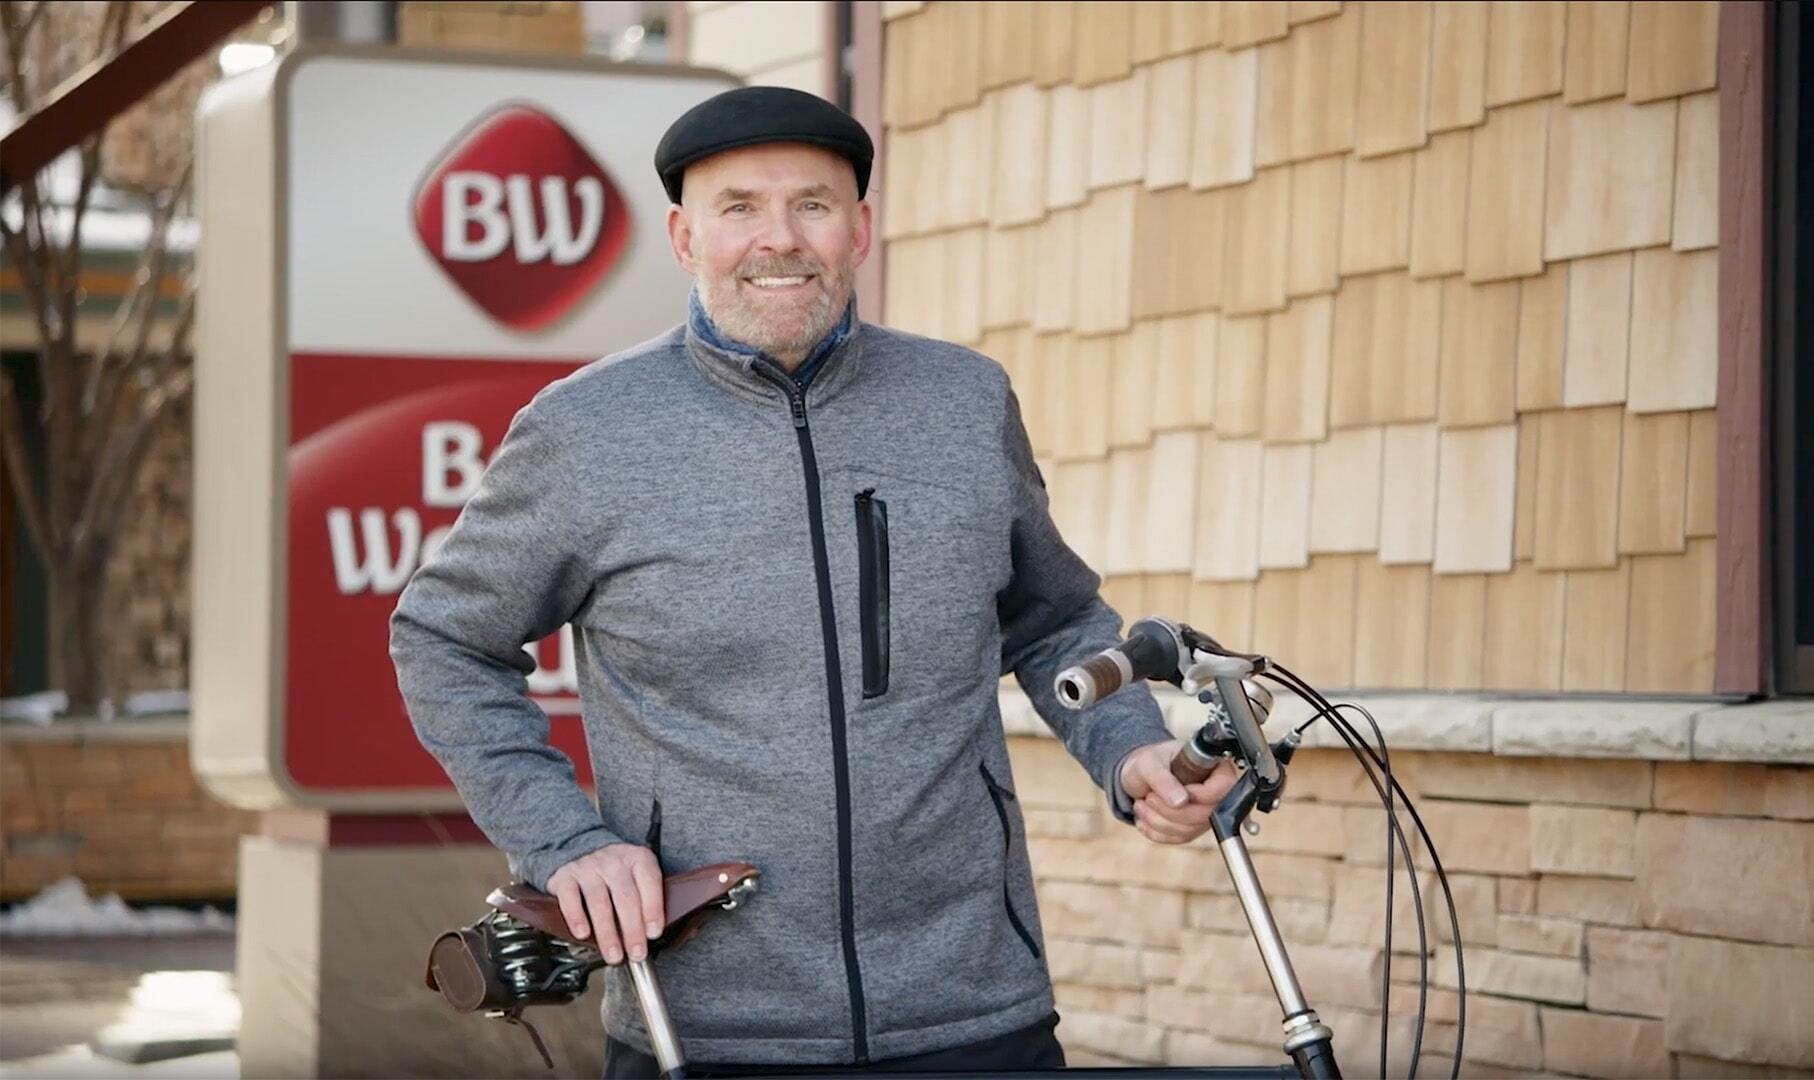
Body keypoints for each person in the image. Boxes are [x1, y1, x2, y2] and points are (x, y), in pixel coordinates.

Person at [389, 85, 1235, 1077]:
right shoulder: (586, 433)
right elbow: (444, 638)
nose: (777, 238)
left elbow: (1053, 620)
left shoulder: (963, 402)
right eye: (739, 207)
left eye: (813, 205)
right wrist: (564, 840)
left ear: (860, 230)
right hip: (707, 1022)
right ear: (684, 236)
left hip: (974, 1010)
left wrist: (1129, 749)